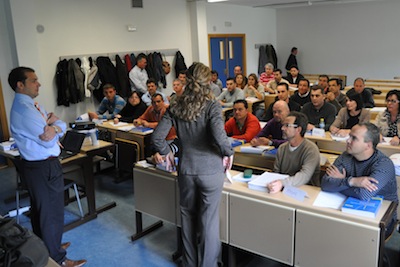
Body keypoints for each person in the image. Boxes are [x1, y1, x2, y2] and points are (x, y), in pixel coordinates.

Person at [152, 62, 234, 267]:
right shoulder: (212, 105)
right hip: (210, 170)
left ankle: (190, 263)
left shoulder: (176, 105)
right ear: (209, 82)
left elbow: (157, 139)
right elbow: (218, 135)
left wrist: (167, 154)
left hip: (187, 170)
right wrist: (228, 152)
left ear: (186, 80)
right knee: (209, 221)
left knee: (187, 218)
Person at [8, 67, 86, 267]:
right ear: (20, 84)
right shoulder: (25, 111)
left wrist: (54, 127)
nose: (39, 84)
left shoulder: (32, 105)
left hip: (38, 167)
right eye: (34, 80)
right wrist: (54, 129)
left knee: (42, 210)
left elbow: (57, 123)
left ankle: (48, 246)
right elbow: (48, 142)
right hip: (43, 166)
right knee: (51, 212)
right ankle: (57, 258)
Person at [321, 123, 398, 238]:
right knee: (328, 228)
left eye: (354, 138)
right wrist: (351, 181)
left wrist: (341, 182)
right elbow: (325, 183)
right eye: (349, 136)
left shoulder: (384, 164)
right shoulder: (346, 156)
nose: (348, 141)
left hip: (381, 218)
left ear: (368, 145)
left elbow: (364, 194)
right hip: (349, 208)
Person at [268, 111, 320, 193]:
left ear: (298, 129)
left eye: (287, 126)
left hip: (305, 191)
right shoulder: (282, 148)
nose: (282, 128)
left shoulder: (311, 149)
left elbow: (304, 176)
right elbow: (276, 172)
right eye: (283, 125)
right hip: (282, 188)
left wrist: (282, 183)